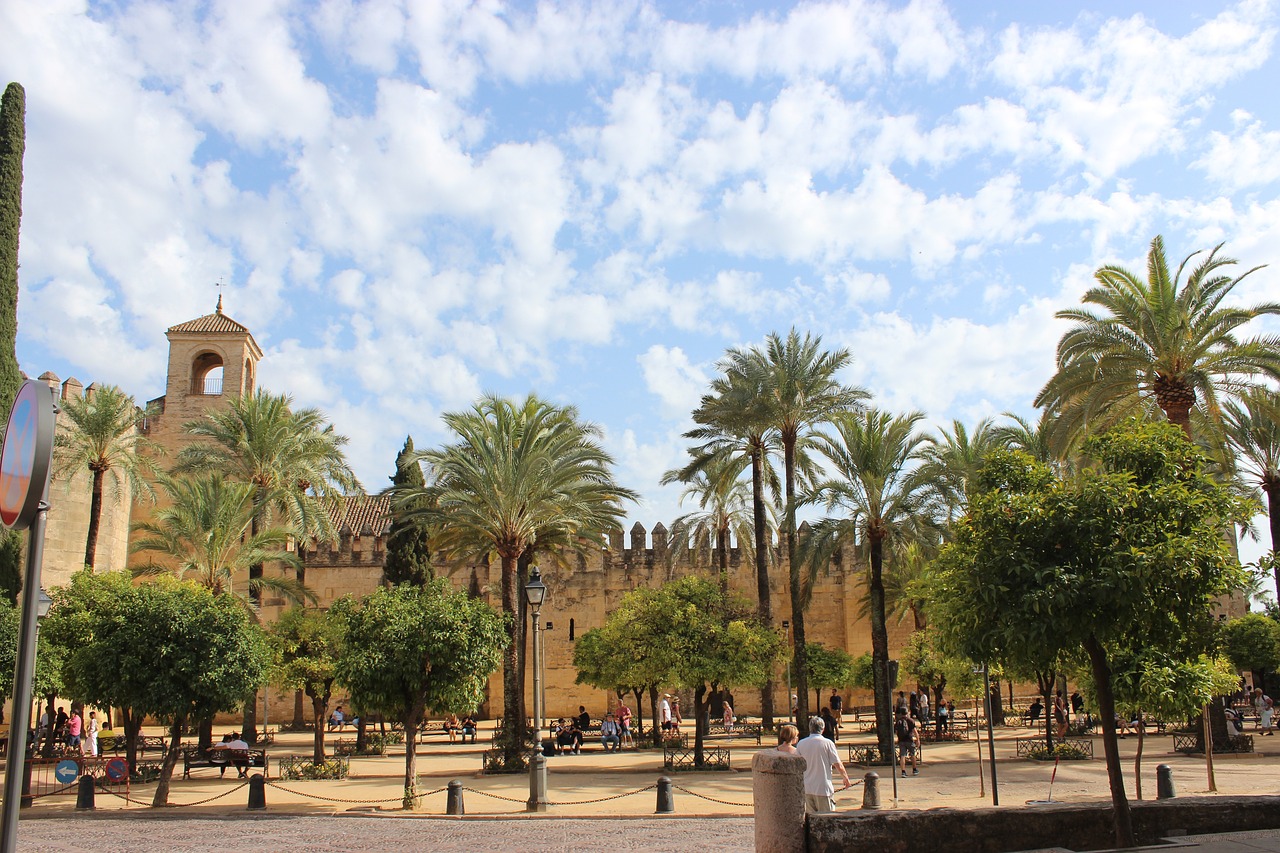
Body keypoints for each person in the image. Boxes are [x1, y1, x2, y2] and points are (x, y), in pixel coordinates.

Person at [795, 716, 850, 813]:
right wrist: (845, 777)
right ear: (823, 729)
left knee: (810, 820)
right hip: (823, 788)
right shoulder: (828, 743)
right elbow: (838, 764)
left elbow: (796, 766)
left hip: (807, 788)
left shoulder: (801, 744)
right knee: (826, 819)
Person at [894, 707, 919, 777]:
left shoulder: (898, 721)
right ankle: (914, 770)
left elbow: (896, 732)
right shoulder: (911, 721)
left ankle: (903, 772)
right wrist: (918, 739)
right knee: (912, 754)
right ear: (907, 712)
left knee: (902, 756)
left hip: (901, 741)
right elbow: (915, 731)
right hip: (909, 740)